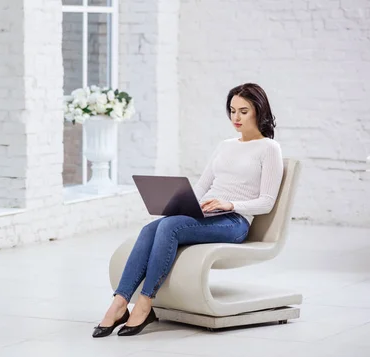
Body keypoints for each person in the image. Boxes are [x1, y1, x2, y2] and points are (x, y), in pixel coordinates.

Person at [93, 83, 284, 338]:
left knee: (169, 227)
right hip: (208, 215)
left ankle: (146, 301)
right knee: (152, 227)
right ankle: (119, 302)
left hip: (235, 221)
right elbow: (203, 185)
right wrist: (182, 203)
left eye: (243, 111)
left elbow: (267, 201)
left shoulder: (269, 149)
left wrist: (231, 205)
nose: (235, 118)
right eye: (232, 110)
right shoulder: (225, 145)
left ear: (258, 112)